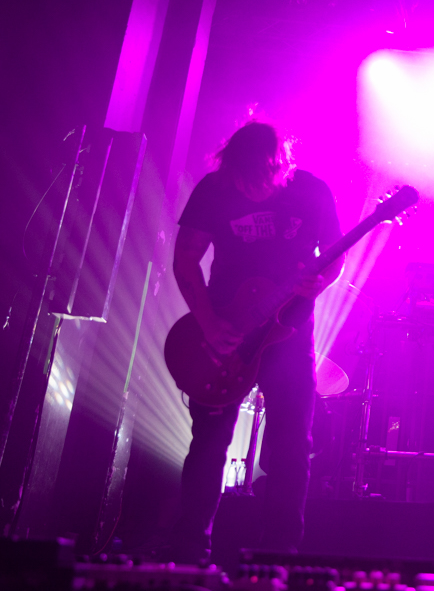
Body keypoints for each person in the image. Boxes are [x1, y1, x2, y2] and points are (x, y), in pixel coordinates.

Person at [169, 122, 343, 563]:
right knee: (209, 440)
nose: (251, 189)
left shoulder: (312, 191)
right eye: (242, 181)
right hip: (225, 330)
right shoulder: (214, 190)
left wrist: (318, 282)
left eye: (260, 179)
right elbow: (186, 258)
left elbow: (335, 254)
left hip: (290, 332)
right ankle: (189, 551)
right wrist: (209, 324)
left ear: (279, 165)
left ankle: (278, 553)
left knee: (291, 443)